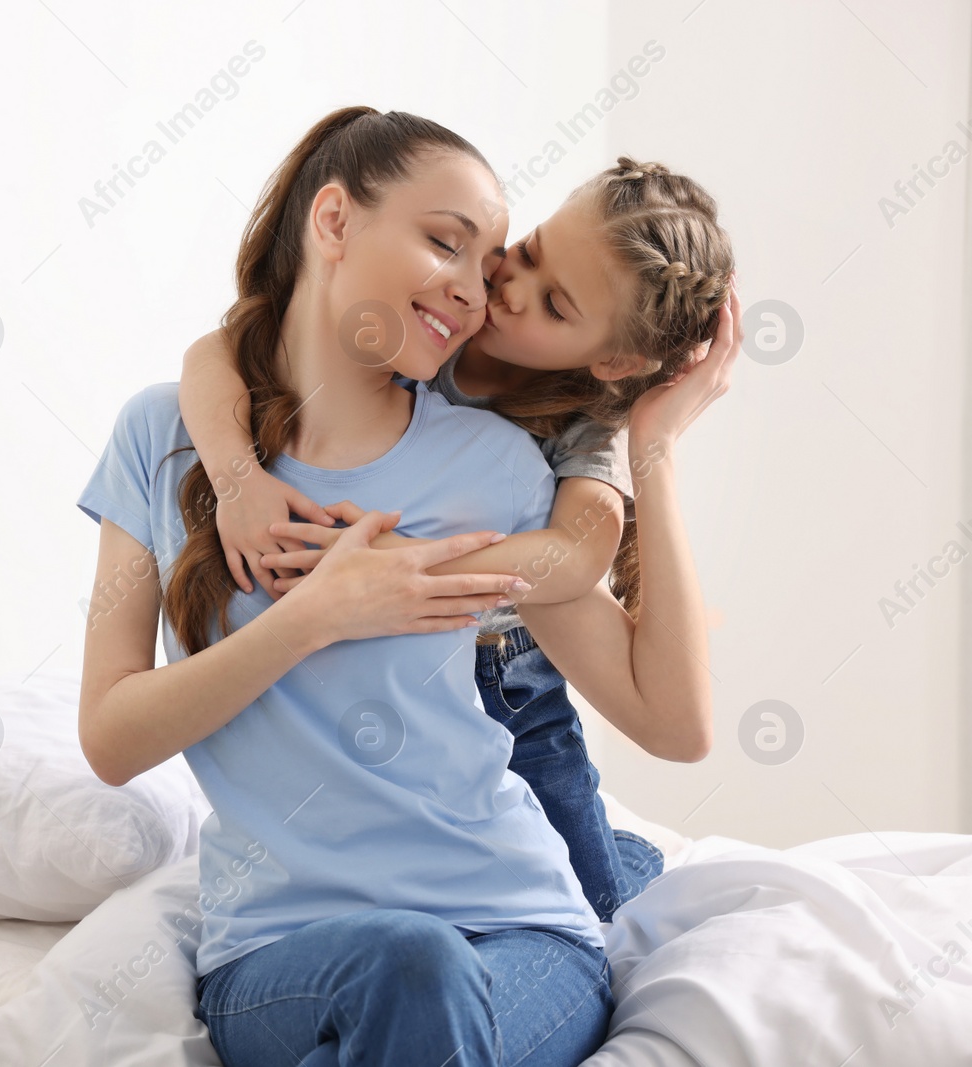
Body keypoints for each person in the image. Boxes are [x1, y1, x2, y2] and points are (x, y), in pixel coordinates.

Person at [79, 106, 639, 1066]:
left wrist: (655, 448)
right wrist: (314, 616)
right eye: (444, 244)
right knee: (410, 966)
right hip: (281, 950)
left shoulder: (499, 465)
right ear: (333, 221)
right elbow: (112, 736)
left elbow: (641, 683)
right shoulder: (163, 436)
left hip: (518, 930)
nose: (474, 292)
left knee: (426, 994)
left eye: (488, 261)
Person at [176, 151, 736, 921]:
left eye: (555, 305)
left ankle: (623, 856)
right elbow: (220, 349)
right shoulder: (429, 316)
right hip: (378, 683)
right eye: (530, 252)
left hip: (502, 689)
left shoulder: (577, 433)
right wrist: (236, 481)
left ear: (613, 359)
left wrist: (656, 447)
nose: (506, 292)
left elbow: (577, 554)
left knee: (596, 904)